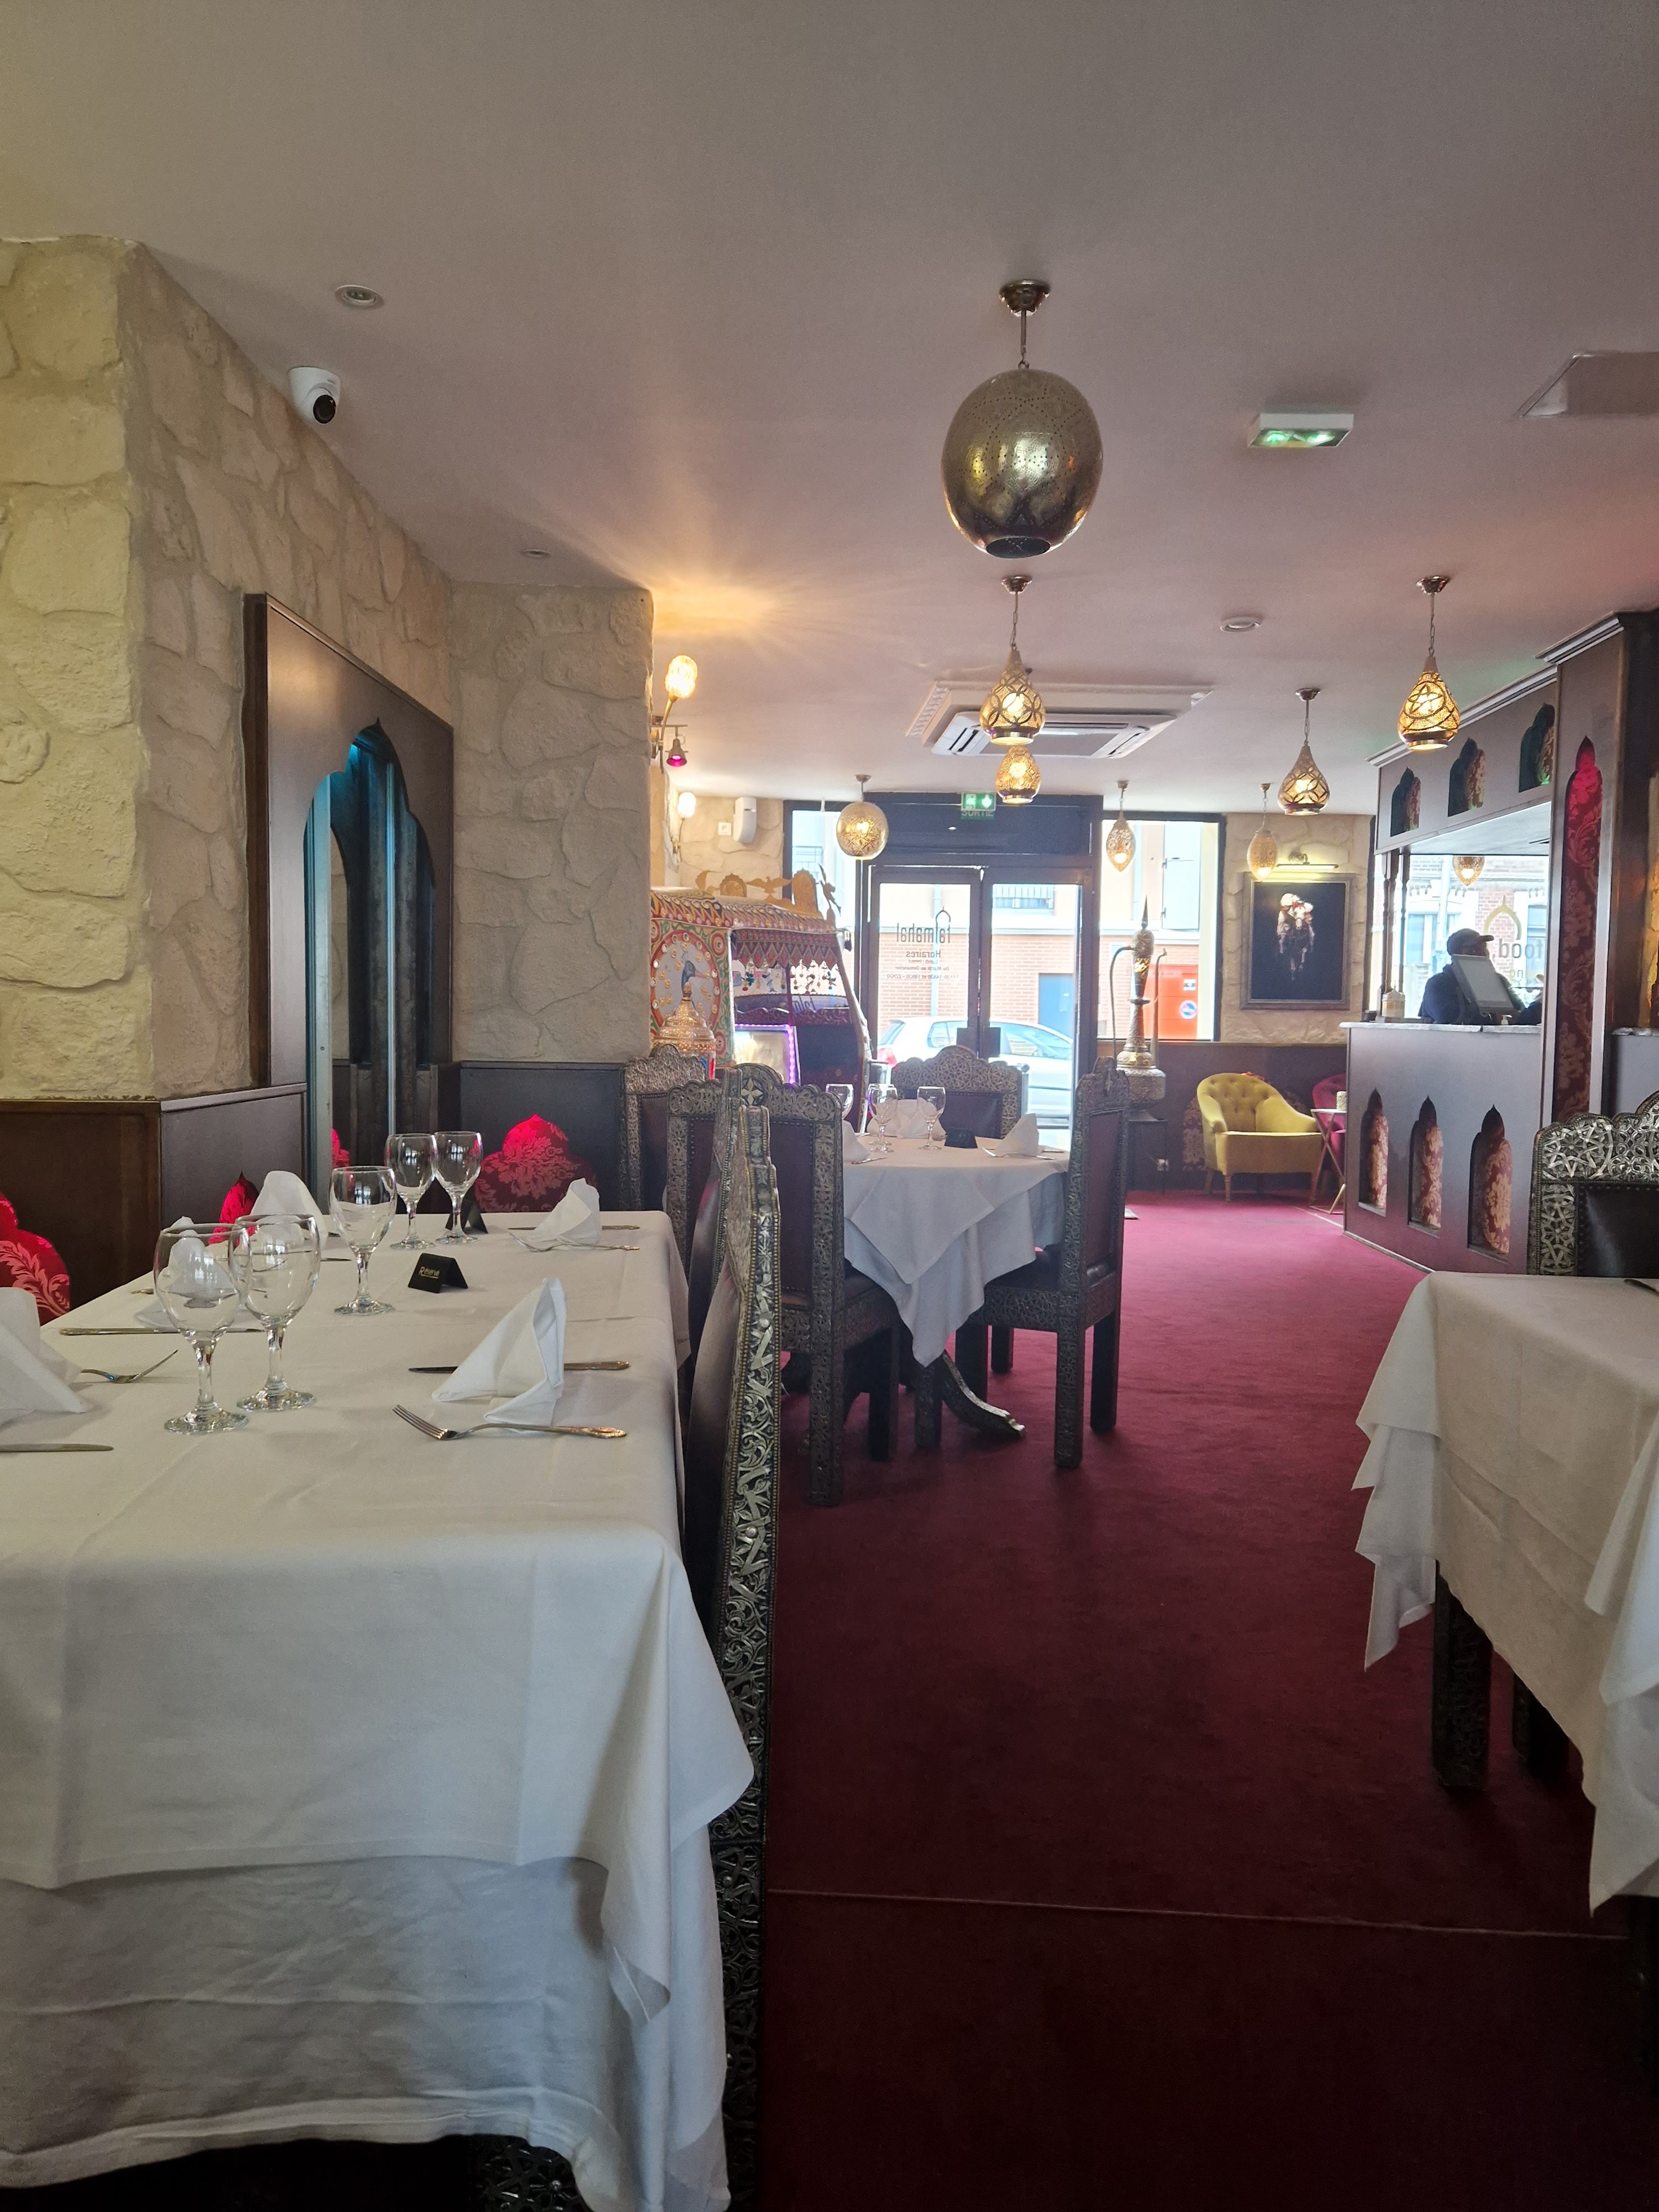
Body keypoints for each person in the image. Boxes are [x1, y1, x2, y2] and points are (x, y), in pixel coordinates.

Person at [1418, 926, 1522, 1023]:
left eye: (1484, 949)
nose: (1482, 955)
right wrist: (1492, 1015)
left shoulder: (1497, 981)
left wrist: (1523, 1015)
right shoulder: (1439, 984)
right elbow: (1448, 1018)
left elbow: (1519, 1011)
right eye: (1473, 951)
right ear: (1456, 956)